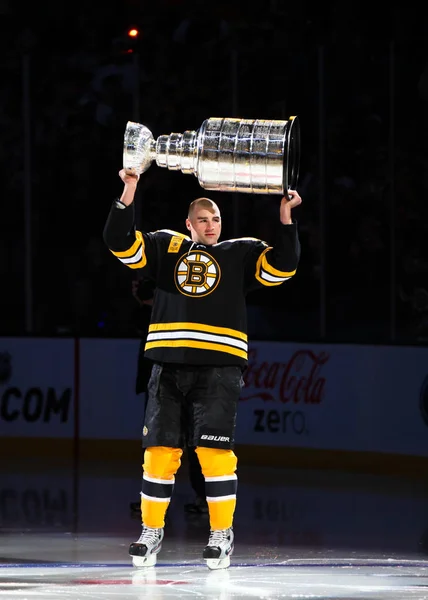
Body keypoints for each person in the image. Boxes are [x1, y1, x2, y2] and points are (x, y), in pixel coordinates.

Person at [103, 167, 302, 570]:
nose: (211, 226)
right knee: (159, 453)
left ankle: (220, 534)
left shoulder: (239, 253)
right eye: (203, 220)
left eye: (216, 220)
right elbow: (119, 242)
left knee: (213, 453)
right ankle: (151, 531)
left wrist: (286, 217)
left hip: (218, 368)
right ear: (189, 224)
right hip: (167, 365)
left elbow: (284, 267)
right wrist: (129, 188)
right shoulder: (165, 247)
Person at [130, 275, 207, 517]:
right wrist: (145, 304)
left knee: (196, 442)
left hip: (188, 372)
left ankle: (203, 498)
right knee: (160, 442)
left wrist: (154, 303)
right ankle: (156, 501)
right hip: (160, 375)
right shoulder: (151, 305)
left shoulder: (184, 286)